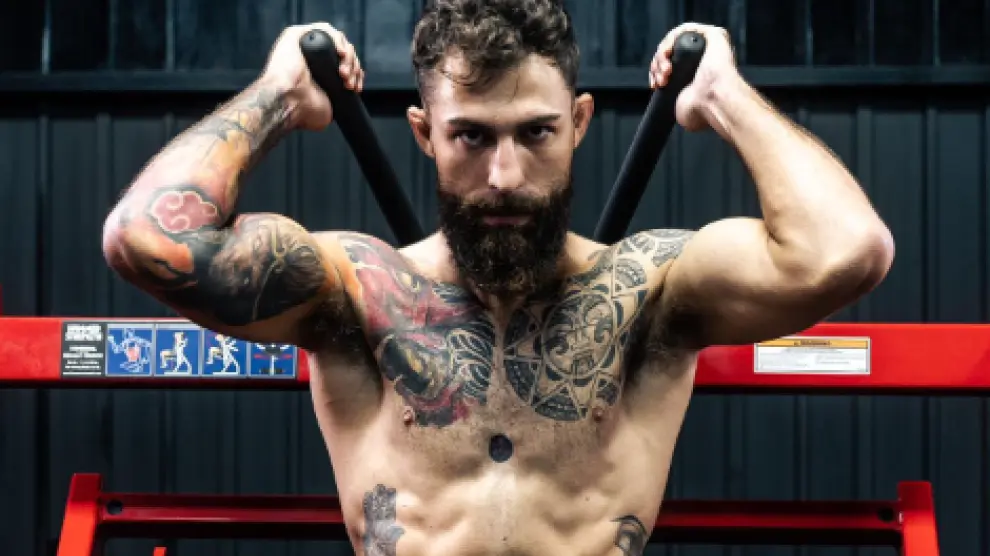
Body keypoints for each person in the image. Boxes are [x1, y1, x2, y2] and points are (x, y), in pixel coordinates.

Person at [101, 1, 895, 554]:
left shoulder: (649, 292)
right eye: (472, 137)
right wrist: (280, 95)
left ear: (579, 123)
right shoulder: (360, 293)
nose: (506, 176)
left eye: (537, 133)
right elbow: (145, 239)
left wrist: (723, 94)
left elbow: (848, 250)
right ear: (424, 134)